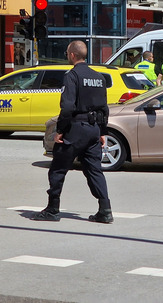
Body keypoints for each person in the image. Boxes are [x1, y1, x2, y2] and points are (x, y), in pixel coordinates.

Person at [32, 40, 112, 223]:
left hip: (76, 129)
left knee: (58, 168)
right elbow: (104, 109)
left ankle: (52, 209)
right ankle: (105, 209)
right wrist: (102, 132)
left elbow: (67, 107)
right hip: (93, 129)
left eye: (68, 53)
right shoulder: (99, 77)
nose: (67, 56)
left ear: (73, 55)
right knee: (94, 170)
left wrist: (60, 130)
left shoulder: (72, 76)